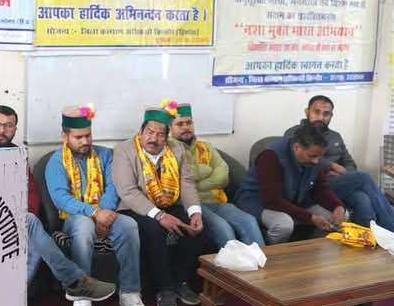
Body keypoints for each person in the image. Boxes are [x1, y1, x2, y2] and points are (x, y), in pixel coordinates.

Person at [0, 105, 116, 305]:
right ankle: (74, 280)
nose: (2, 130)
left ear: (15, 129)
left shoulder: (17, 154)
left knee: (31, 224)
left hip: (11, 219)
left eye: (8, 125)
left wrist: (21, 216)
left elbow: (31, 190)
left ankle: (13, 301)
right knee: (31, 225)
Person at [45, 105, 148, 306]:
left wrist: (104, 213)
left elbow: (113, 187)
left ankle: (130, 291)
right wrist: (94, 213)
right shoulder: (56, 161)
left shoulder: (105, 154)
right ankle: (82, 293)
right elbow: (60, 198)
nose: (85, 141)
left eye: (88, 135)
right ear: (64, 136)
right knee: (84, 226)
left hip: (105, 211)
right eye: (78, 137)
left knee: (129, 225)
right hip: (73, 218)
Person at [112, 105, 204, 306]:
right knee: (154, 230)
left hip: (168, 203)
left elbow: (187, 183)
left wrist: (195, 212)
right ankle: (165, 289)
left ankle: (181, 282)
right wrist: (160, 216)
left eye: (160, 134)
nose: (153, 138)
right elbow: (127, 191)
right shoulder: (124, 150)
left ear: (167, 136)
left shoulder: (177, 149)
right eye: (149, 132)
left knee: (196, 229)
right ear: (141, 131)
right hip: (135, 207)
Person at [284, 95, 394, 232]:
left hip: (339, 182)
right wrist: (332, 166)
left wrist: (345, 174)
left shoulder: (335, 136)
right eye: (316, 112)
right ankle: (391, 229)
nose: (321, 117)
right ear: (307, 112)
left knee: (362, 199)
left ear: (331, 116)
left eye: (326, 114)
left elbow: (350, 163)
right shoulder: (294, 133)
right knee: (364, 177)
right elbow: (295, 159)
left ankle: (364, 239)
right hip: (313, 186)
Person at [169, 102, 264, 248]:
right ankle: (231, 263)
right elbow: (182, 178)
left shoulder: (206, 147)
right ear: (170, 128)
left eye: (189, 123)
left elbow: (223, 176)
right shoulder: (168, 151)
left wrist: (197, 184)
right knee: (223, 229)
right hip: (191, 206)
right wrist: (207, 170)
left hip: (217, 201)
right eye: (180, 124)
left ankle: (263, 261)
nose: (186, 127)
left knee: (249, 222)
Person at [236, 124, 346, 244]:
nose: (316, 161)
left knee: (340, 216)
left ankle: (311, 249)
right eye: (312, 156)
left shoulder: (315, 158)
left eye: (320, 157)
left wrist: (338, 207)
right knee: (284, 225)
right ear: (296, 147)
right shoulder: (270, 156)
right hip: (258, 201)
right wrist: (310, 217)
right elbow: (272, 200)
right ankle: (268, 251)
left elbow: (321, 189)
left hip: (294, 201)